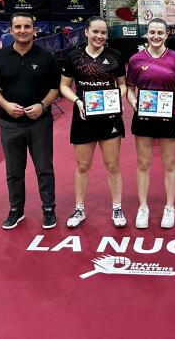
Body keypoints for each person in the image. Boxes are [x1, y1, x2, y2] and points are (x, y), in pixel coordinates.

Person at [0, 12, 61, 230]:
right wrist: (6, 105)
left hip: (40, 123)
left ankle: (48, 209)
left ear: (34, 29)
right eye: (17, 27)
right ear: (10, 31)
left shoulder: (46, 57)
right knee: (14, 171)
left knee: (44, 169)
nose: (22, 31)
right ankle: (16, 209)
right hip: (9, 124)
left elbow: (55, 89)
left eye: (27, 27)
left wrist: (42, 105)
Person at [60, 16, 128, 228]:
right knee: (83, 166)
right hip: (83, 117)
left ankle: (117, 208)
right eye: (96, 32)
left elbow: (123, 85)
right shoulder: (74, 57)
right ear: (86, 32)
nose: (100, 36)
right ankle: (79, 209)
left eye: (103, 33)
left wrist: (117, 98)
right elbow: (64, 87)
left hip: (110, 118)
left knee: (112, 165)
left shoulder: (115, 56)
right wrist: (78, 100)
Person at [126, 18, 175, 229]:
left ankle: (169, 208)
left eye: (160, 33)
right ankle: (143, 208)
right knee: (143, 164)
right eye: (152, 32)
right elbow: (129, 89)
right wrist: (135, 104)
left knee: (169, 165)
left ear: (166, 35)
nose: (156, 36)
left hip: (168, 116)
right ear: (147, 34)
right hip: (143, 118)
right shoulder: (135, 59)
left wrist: (172, 104)